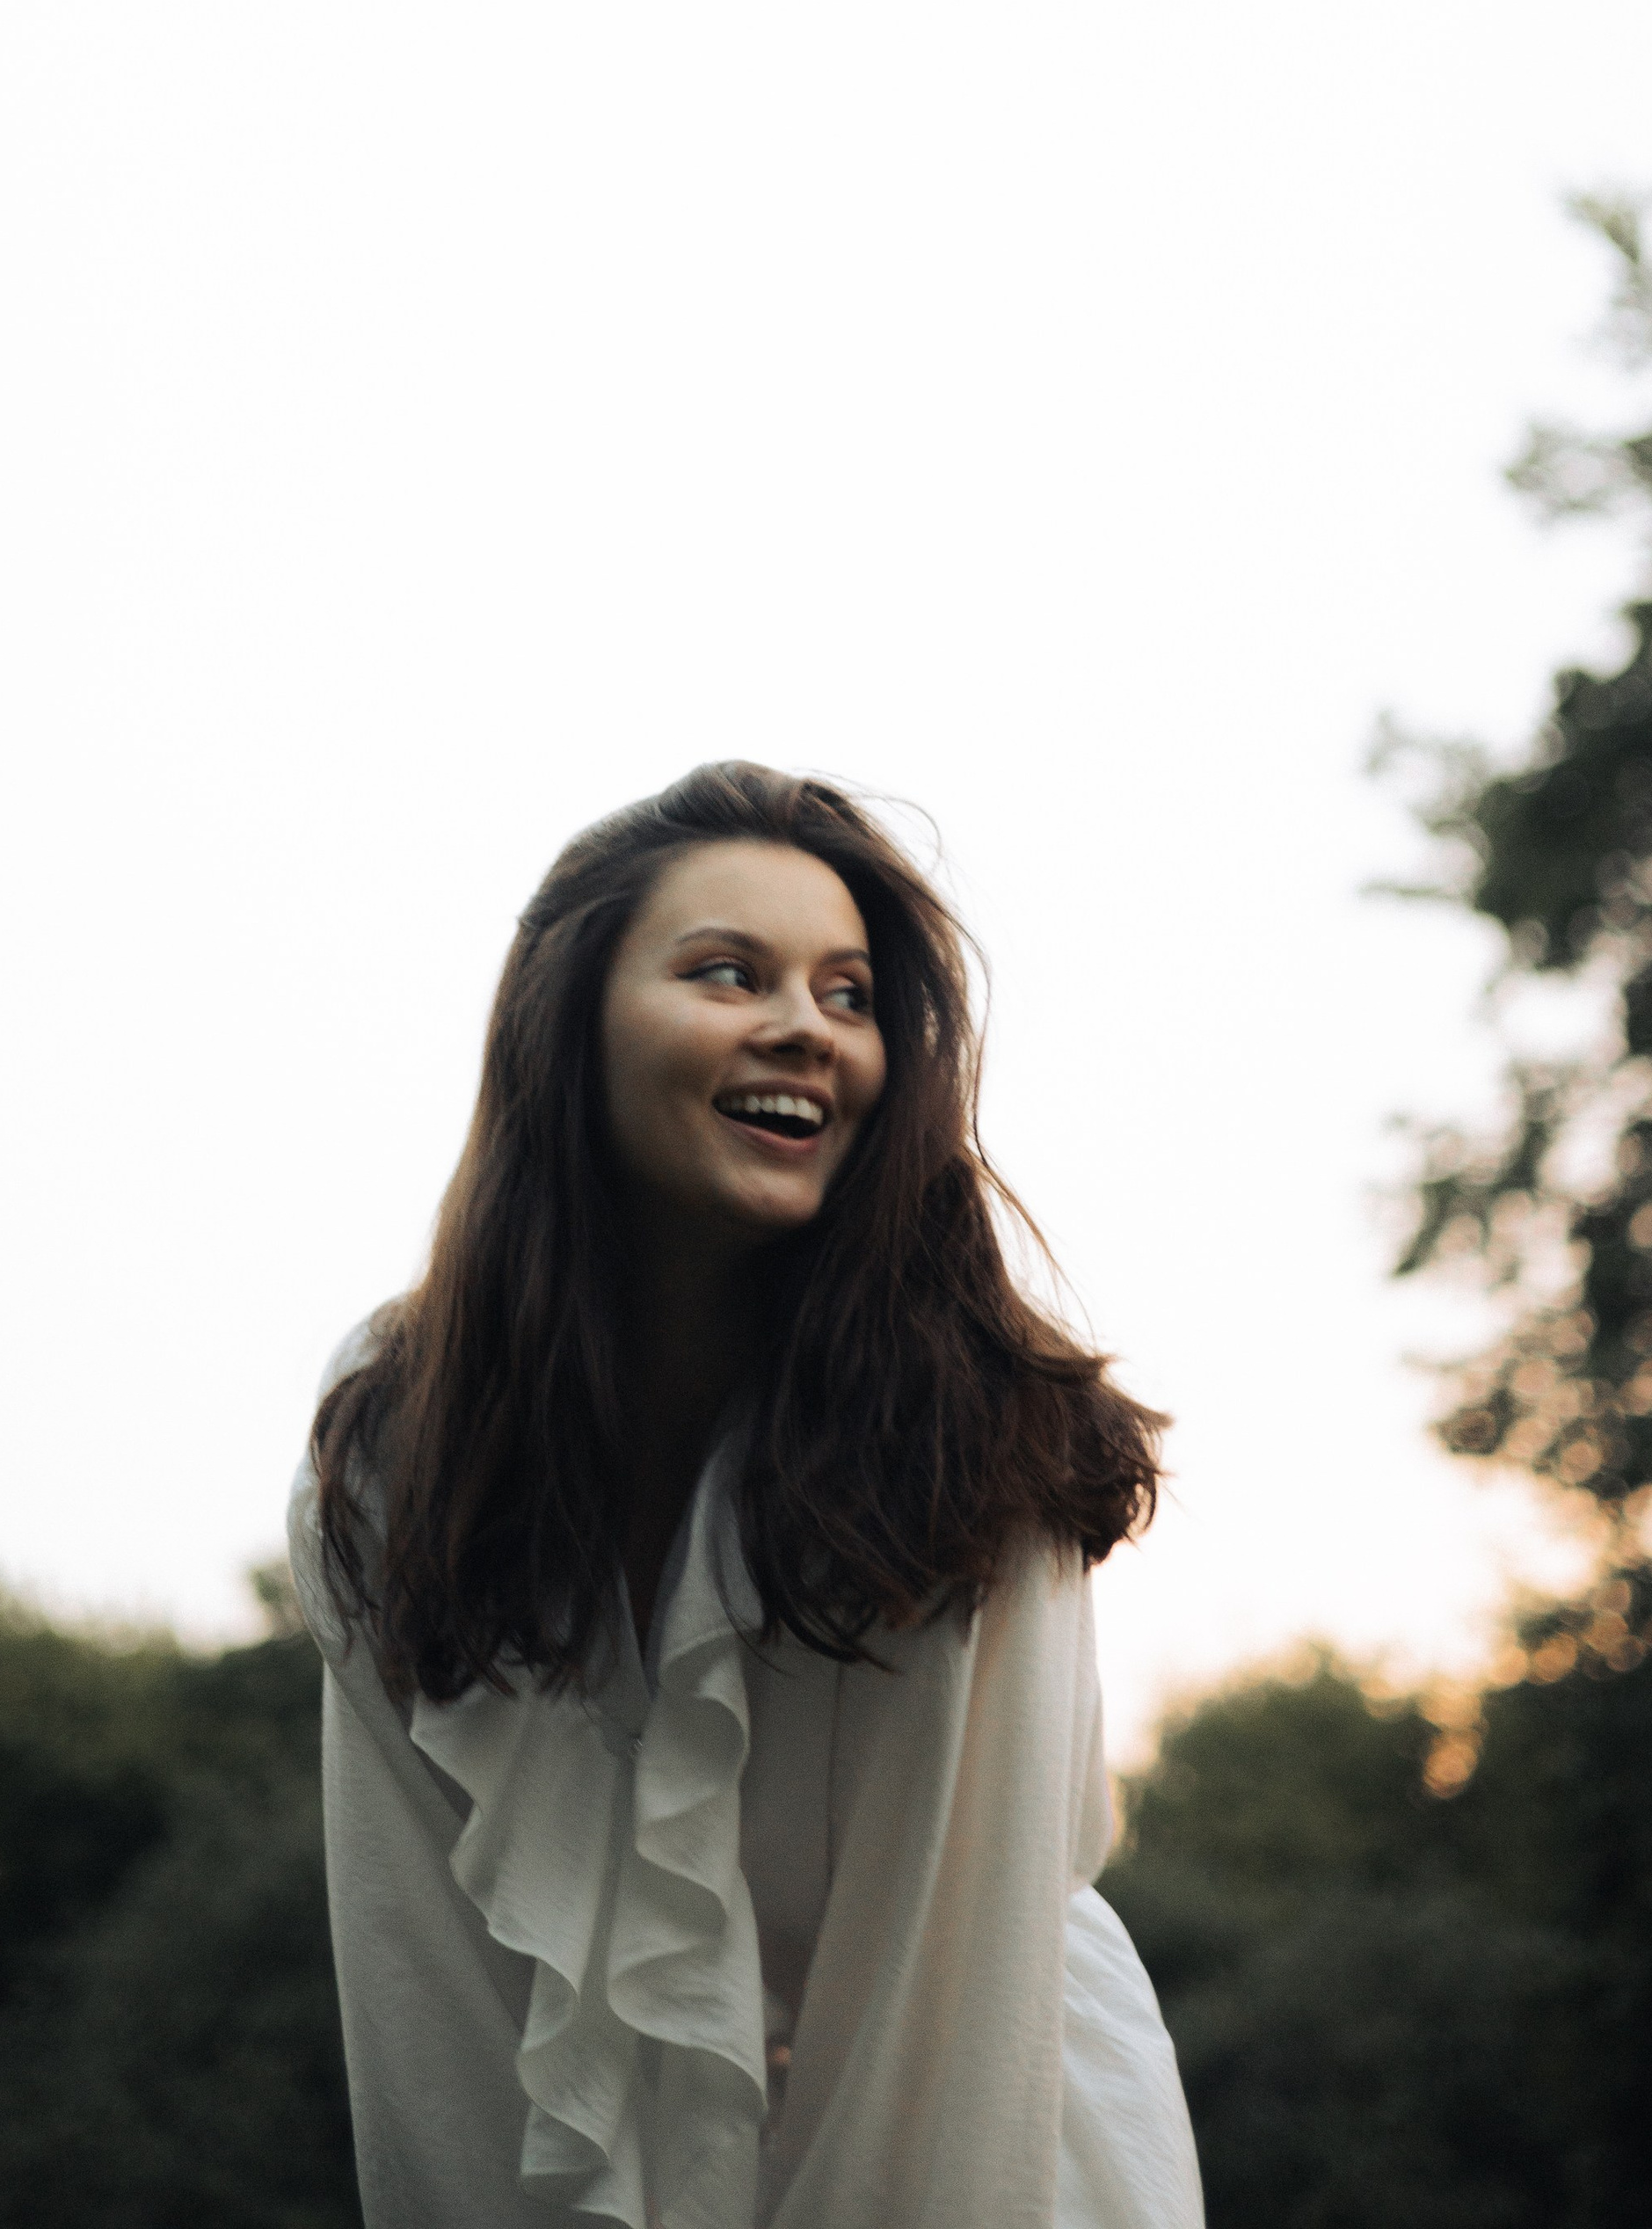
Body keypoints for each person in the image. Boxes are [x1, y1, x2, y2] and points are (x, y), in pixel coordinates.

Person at [288, 760, 1202, 2229]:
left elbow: (943, 2004)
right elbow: (424, 1987)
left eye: (849, 996)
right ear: (566, 1029)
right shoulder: (403, 1437)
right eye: (730, 973)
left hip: (989, 2132)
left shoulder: (981, 1428)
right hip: (640, 2141)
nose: (804, 1027)